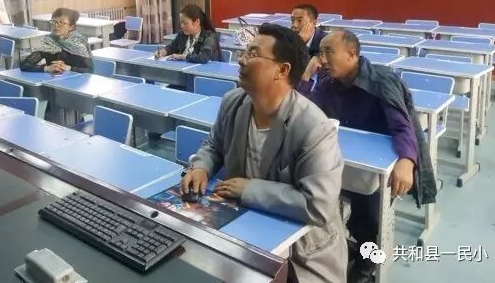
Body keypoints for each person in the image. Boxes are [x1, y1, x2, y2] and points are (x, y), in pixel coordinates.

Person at [181, 23, 347, 283]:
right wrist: (201, 166)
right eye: (244, 52)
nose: (241, 59)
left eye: (253, 54)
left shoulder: (314, 127)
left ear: (282, 70)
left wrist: (249, 190)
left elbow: (318, 205)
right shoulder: (233, 102)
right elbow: (214, 145)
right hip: (245, 227)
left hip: (302, 251)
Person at [298, 30, 436, 283]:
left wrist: (407, 160)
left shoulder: (381, 81)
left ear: (352, 54)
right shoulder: (328, 84)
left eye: (329, 51)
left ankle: (367, 262)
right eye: (320, 52)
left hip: (376, 168)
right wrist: (306, 77)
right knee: (319, 199)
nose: (322, 59)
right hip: (343, 160)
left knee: (369, 217)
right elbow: (305, 113)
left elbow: (403, 126)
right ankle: (346, 245)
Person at [21, 8, 93, 74]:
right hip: (52, 80)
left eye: (62, 22)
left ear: (71, 27)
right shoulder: (48, 41)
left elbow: (89, 70)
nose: (56, 25)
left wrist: (69, 68)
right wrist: (47, 68)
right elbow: (25, 64)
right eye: (54, 21)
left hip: (75, 81)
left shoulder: (79, 43)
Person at [156, 4, 220, 64]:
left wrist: (182, 57)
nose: (182, 26)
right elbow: (171, 48)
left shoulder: (209, 36)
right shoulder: (182, 35)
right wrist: (163, 52)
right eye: (181, 23)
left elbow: (203, 57)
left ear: (197, 22)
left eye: (185, 23)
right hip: (181, 68)